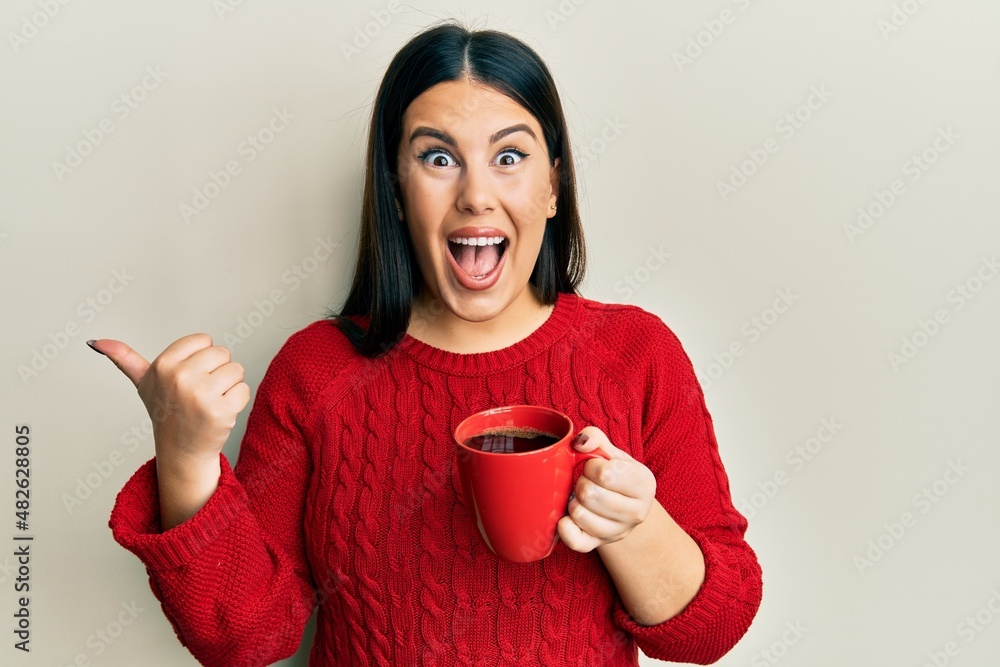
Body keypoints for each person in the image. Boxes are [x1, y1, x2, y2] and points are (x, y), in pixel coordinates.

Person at [89, 20, 763, 666]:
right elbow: (249, 639)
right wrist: (184, 461)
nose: (476, 195)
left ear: (552, 184)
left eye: (509, 156)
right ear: (397, 188)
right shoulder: (315, 370)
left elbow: (712, 630)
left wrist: (632, 525)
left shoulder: (636, 353)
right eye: (438, 157)